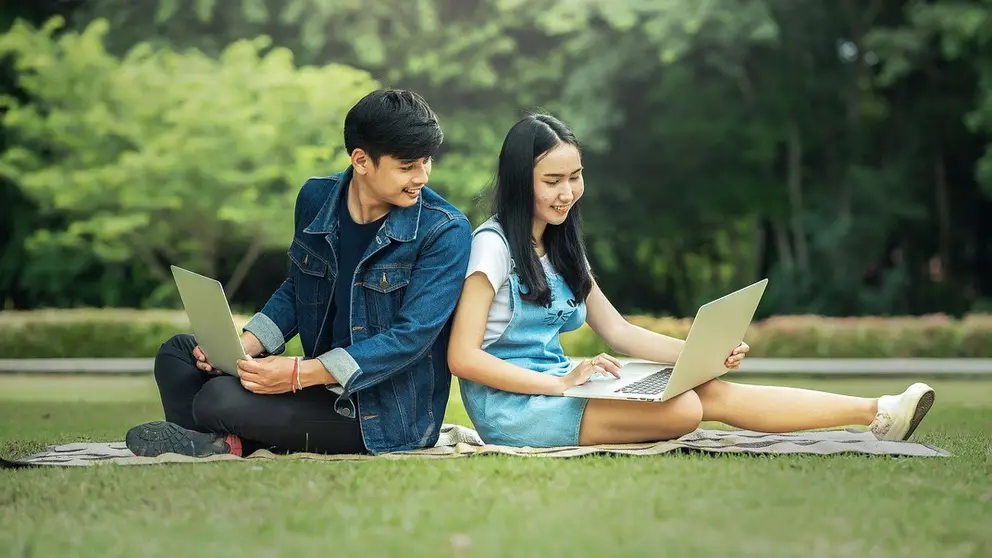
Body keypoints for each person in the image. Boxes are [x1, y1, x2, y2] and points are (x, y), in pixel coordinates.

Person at [446, 113, 936, 448]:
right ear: (517, 181)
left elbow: (619, 332)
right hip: (515, 407)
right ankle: (874, 412)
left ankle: (878, 411)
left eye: (574, 176)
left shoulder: (559, 244)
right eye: (551, 181)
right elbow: (462, 357)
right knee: (684, 411)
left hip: (562, 384)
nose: (568, 192)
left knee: (708, 390)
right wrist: (557, 386)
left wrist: (698, 355)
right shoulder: (492, 247)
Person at [125, 89, 472, 457]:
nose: (421, 176)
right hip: (316, 387)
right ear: (361, 160)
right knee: (179, 354)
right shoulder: (315, 200)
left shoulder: (444, 230)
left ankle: (220, 437)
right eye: (407, 166)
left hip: (380, 412)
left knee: (218, 397)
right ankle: (221, 442)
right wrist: (244, 346)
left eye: (426, 162)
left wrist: (298, 374)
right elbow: (297, 288)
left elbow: (410, 338)